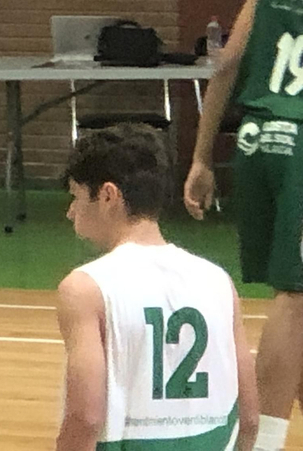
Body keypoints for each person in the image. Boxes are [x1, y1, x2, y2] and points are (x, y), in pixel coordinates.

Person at [58, 124, 257, 451]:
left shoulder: (85, 288)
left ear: (108, 195)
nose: (70, 212)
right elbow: (248, 417)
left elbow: (87, 417)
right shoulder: (218, 281)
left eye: (76, 196)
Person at [185, 0, 303, 451]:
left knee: (292, 298)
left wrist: (201, 158)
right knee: (295, 299)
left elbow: (227, 62)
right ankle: (263, 442)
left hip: (256, 140)